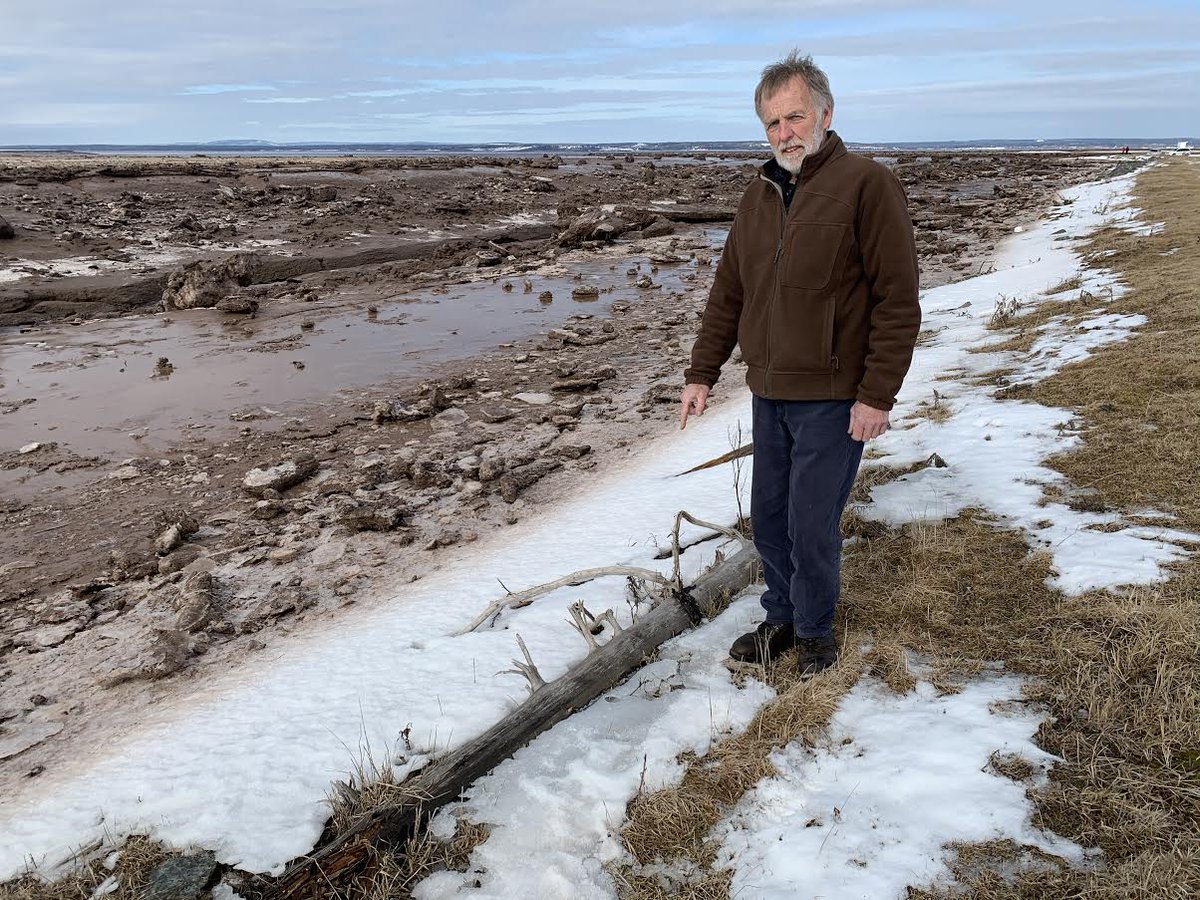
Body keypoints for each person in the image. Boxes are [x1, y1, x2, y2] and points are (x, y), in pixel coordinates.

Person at [679, 51, 920, 676]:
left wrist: (877, 396)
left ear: (825, 114)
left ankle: (815, 634)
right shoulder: (757, 195)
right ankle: (781, 616)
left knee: (812, 524)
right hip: (770, 392)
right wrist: (702, 372)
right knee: (769, 519)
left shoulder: (868, 184)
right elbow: (729, 290)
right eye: (772, 123)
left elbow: (898, 301)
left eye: (795, 116)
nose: (784, 133)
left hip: (835, 396)